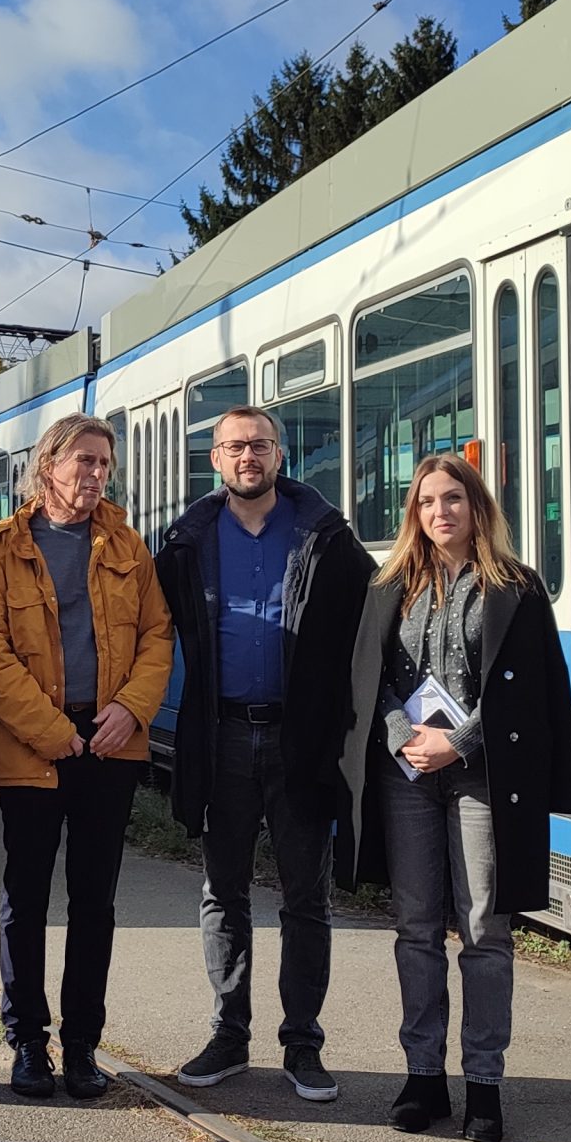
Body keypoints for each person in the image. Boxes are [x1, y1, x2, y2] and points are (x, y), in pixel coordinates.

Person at [339, 452, 571, 1142]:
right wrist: (399, 734)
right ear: (413, 513)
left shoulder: (517, 588)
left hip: (481, 778)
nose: (439, 512)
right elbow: (369, 679)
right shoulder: (390, 586)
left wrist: (460, 743)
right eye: (426, 502)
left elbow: (529, 694)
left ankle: (483, 1084)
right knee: (415, 928)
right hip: (405, 775)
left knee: (484, 929)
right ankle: (422, 1077)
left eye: (453, 499)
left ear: (477, 508)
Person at [154, 406, 372, 1102]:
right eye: (234, 447)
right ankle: (229, 1033)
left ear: (280, 455)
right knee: (224, 893)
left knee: (307, 896)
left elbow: (377, 617)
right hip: (219, 737)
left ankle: (302, 1045)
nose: (248, 456)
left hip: (300, 739)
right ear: (215, 460)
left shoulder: (326, 537)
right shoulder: (187, 541)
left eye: (260, 445)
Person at [0, 413, 173, 1102]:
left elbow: (156, 638)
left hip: (110, 743)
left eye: (103, 464)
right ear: (48, 463)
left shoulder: (128, 547)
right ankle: (28, 1040)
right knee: (25, 898)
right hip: (34, 747)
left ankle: (82, 1044)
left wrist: (130, 710)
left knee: (95, 902)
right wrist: (51, 729)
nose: (92, 474)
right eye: (82, 460)